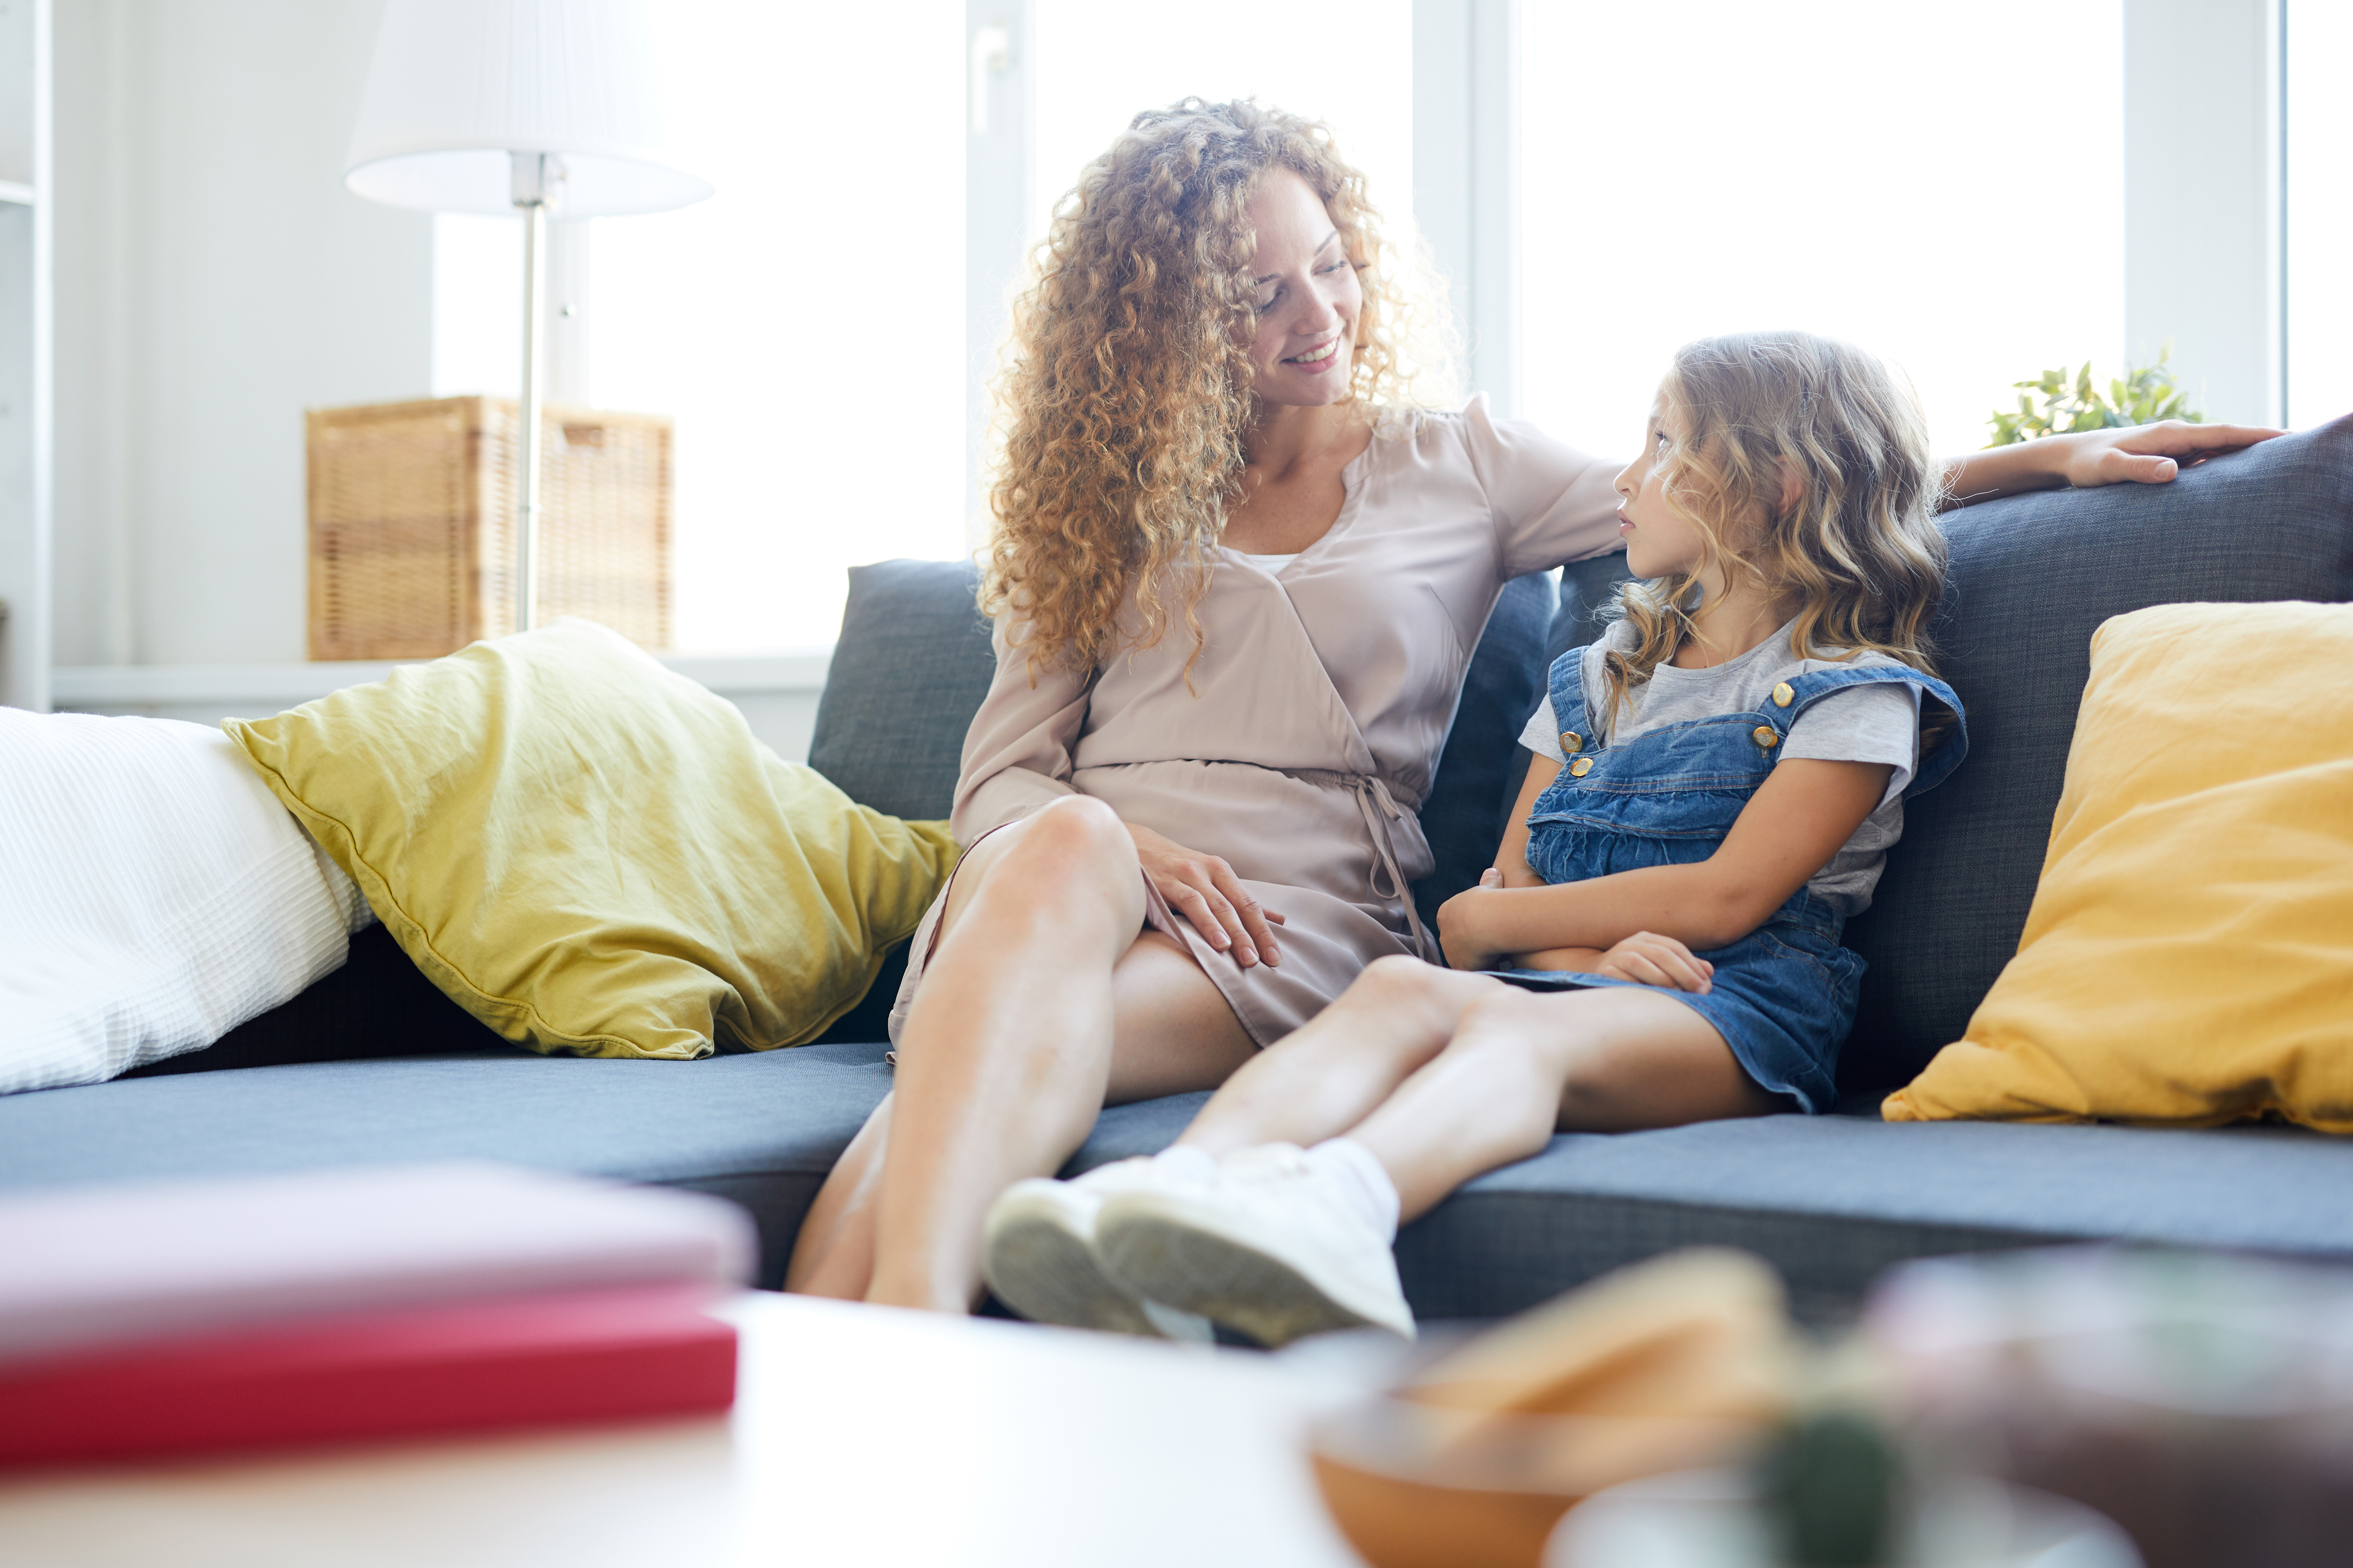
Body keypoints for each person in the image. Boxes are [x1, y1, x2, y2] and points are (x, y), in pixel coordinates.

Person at [785, 99, 2279, 1326]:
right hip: (1059, 889)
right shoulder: (1092, 513)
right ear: (1158, 323)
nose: (1319, 316)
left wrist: (2044, 457)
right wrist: (1120, 848)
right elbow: (1000, 788)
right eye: (1258, 294)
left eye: (1331, 266)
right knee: (1051, 866)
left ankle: (872, 1350)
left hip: (1284, 924)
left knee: (956, 1072)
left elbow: (1770, 486)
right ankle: (908, 1344)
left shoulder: (1465, 463)